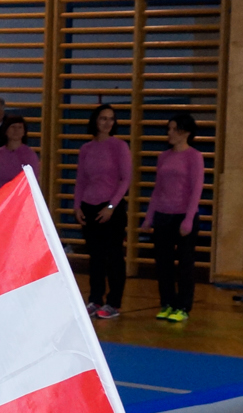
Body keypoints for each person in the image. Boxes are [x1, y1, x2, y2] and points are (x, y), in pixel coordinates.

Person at [144, 111, 205, 324]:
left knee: (185, 264)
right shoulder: (163, 157)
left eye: (174, 129)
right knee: (164, 263)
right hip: (163, 215)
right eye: (168, 129)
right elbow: (157, 189)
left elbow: (196, 189)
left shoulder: (194, 156)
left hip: (183, 215)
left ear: (185, 132)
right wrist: (149, 217)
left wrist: (188, 219)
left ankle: (183, 306)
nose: (169, 133)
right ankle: (167, 303)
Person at [74, 105, 133, 320]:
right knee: (95, 257)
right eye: (103, 118)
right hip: (89, 206)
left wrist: (111, 206)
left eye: (111, 119)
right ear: (95, 121)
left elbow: (125, 179)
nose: (107, 123)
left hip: (111, 209)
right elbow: (81, 180)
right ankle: (95, 299)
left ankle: (114, 302)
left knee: (114, 257)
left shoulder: (119, 147)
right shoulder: (86, 149)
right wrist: (77, 206)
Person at [0, 114, 39, 194]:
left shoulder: (29, 154)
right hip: (0, 195)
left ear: (24, 132)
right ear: (6, 130)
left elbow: (33, 182)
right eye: (13, 127)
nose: (16, 130)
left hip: (19, 196)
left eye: (20, 127)